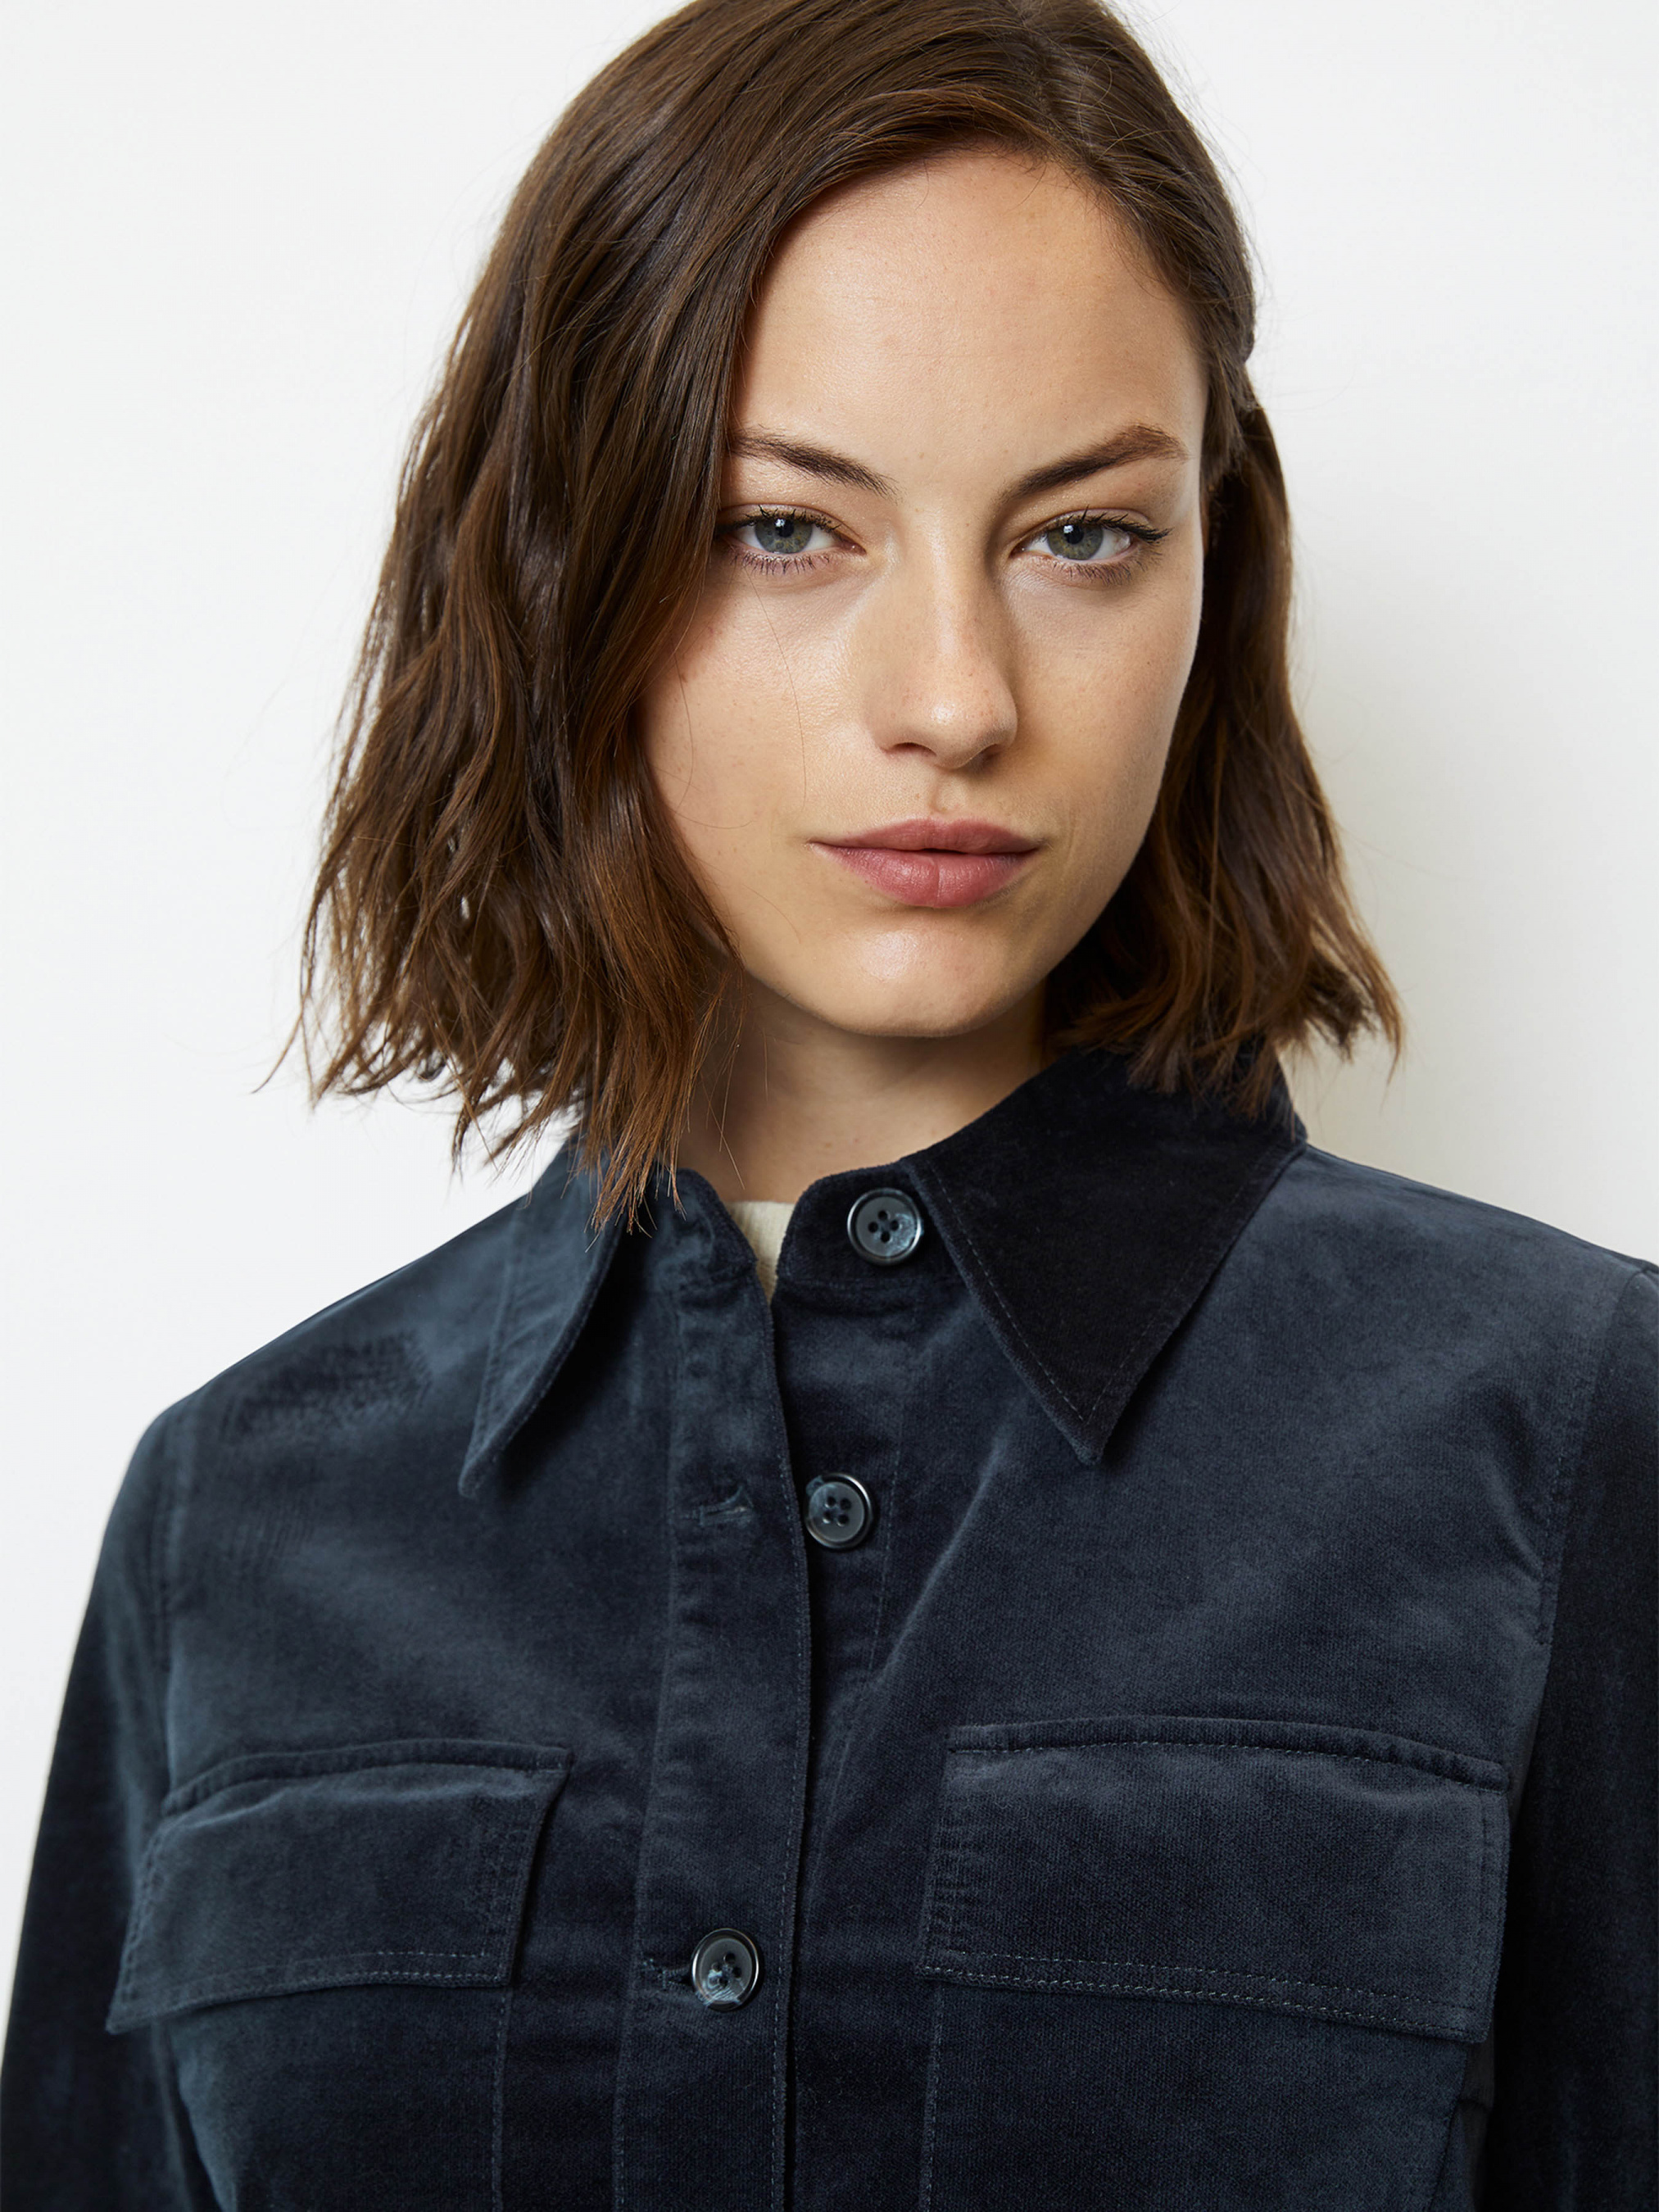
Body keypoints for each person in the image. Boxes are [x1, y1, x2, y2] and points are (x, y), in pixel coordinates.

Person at [2, 0, 1652, 2203]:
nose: (954, 700)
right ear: (564, 568)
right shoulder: (233, 1515)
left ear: (1216, 568)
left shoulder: (1568, 1427)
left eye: (1084, 536)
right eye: (785, 529)